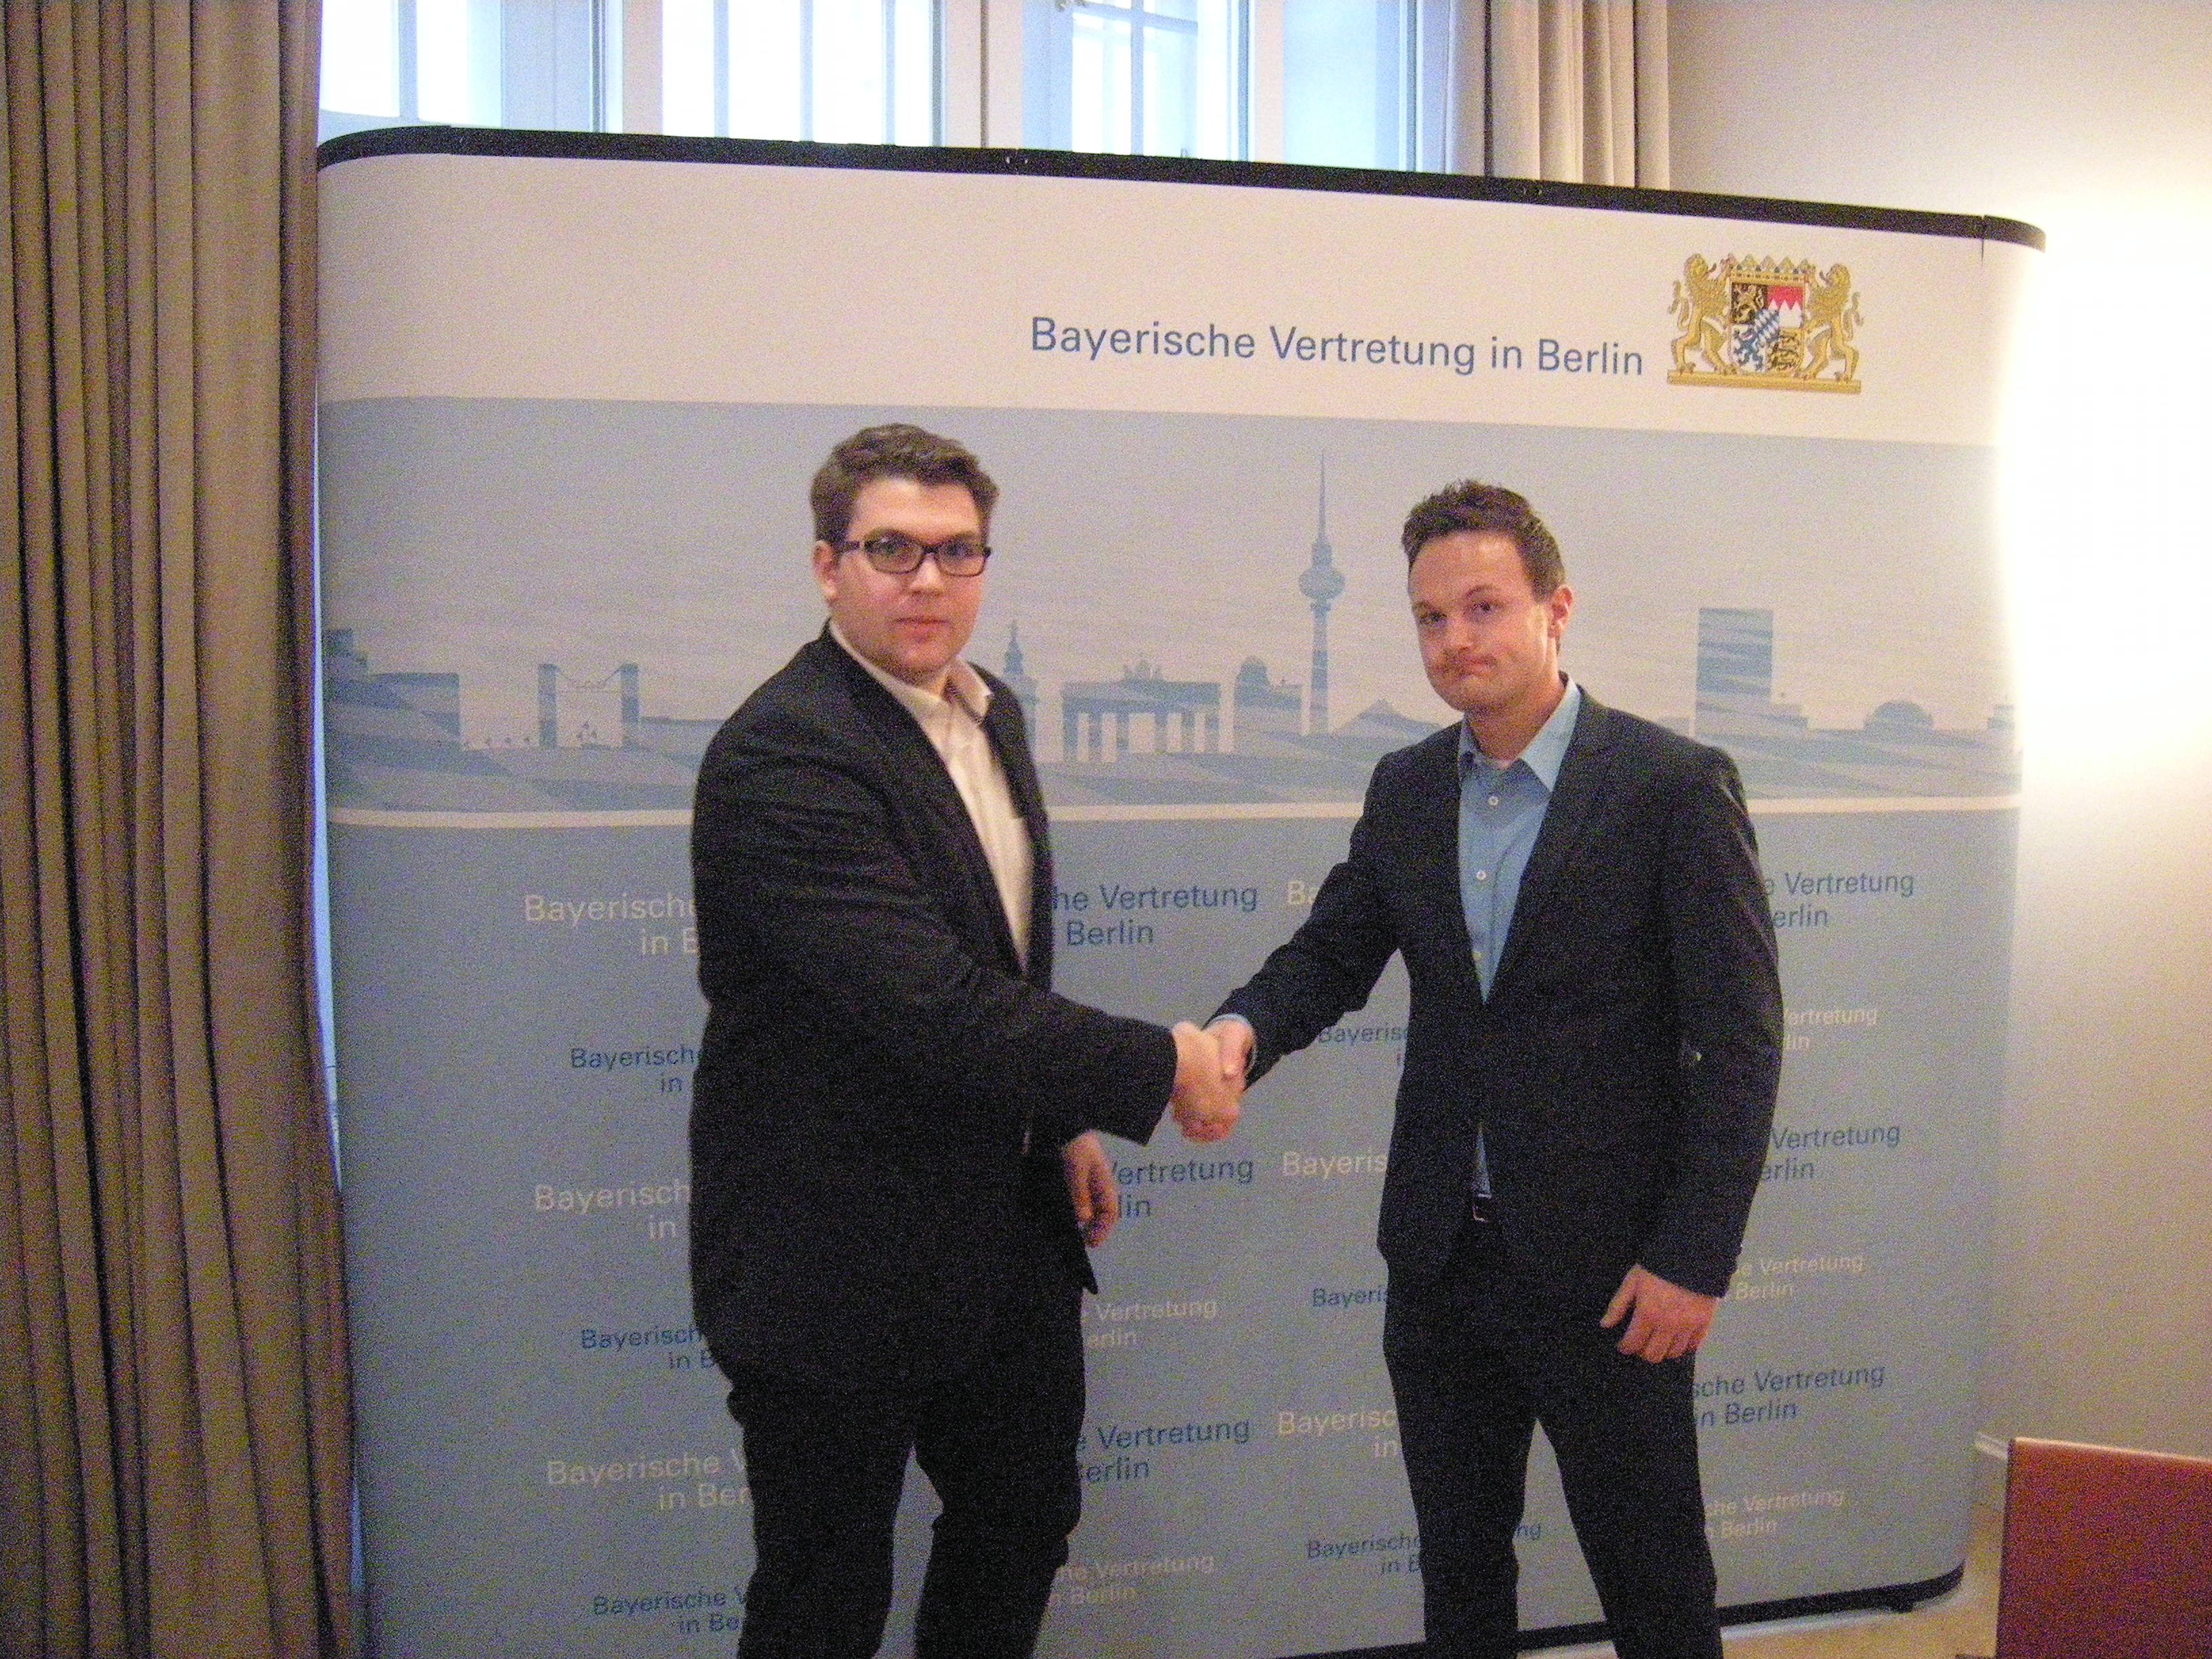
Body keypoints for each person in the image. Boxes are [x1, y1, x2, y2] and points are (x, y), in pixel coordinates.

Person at [687, 423, 1239, 1659]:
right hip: (829, 1256)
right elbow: (929, 1001)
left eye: (957, 551)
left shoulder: (993, 716)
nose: (927, 580)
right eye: (892, 549)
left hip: (1002, 1231)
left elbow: (997, 965)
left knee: (1022, 1521)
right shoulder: (785, 751)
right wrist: (1160, 1066)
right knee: (823, 1599)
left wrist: (1061, 1121)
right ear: (828, 567)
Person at [1209, 481, 1782, 1659]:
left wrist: (1692, 1255)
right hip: (1442, 1263)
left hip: (1614, 1276)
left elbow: (1740, 1042)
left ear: (1556, 609)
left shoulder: (1672, 787)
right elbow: (1331, 955)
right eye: (1430, 618)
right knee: (1460, 1577)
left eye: (1483, 607)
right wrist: (1238, 1036)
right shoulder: (1408, 787)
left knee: (1656, 1585)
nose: (1455, 640)